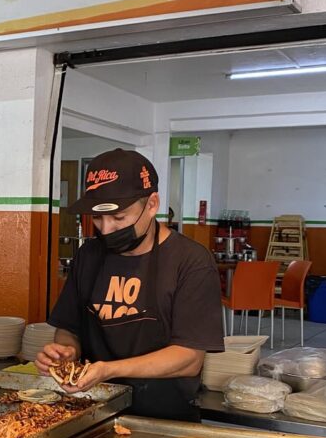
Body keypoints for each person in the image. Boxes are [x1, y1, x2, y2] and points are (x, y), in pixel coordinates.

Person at [36, 149, 223, 421]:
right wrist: (67, 352)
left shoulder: (190, 262)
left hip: (163, 415)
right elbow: (70, 328)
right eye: (98, 219)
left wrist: (109, 370)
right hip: (91, 409)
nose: (106, 229)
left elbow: (189, 357)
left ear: (151, 204)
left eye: (119, 218)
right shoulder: (89, 255)